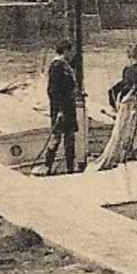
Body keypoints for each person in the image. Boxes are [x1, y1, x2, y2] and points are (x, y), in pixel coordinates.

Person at [41, 40, 79, 174]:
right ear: (66, 51)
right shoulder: (57, 66)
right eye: (70, 52)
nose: (72, 54)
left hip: (68, 107)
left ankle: (70, 167)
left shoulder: (64, 65)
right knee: (56, 137)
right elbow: (53, 91)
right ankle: (48, 165)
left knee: (69, 137)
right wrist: (59, 110)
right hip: (61, 109)